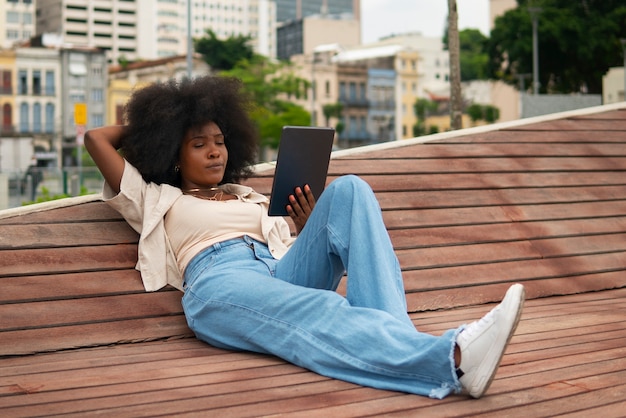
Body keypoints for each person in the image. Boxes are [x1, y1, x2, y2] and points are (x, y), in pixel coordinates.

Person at [85, 75, 525, 400]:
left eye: (220, 141)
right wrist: (157, 128)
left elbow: (296, 253)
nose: (216, 150)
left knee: (350, 189)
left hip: (278, 269)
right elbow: (95, 138)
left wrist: (311, 226)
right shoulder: (156, 197)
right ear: (174, 156)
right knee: (323, 306)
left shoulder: (250, 198)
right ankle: (453, 357)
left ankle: (401, 342)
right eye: (198, 144)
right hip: (220, 282)